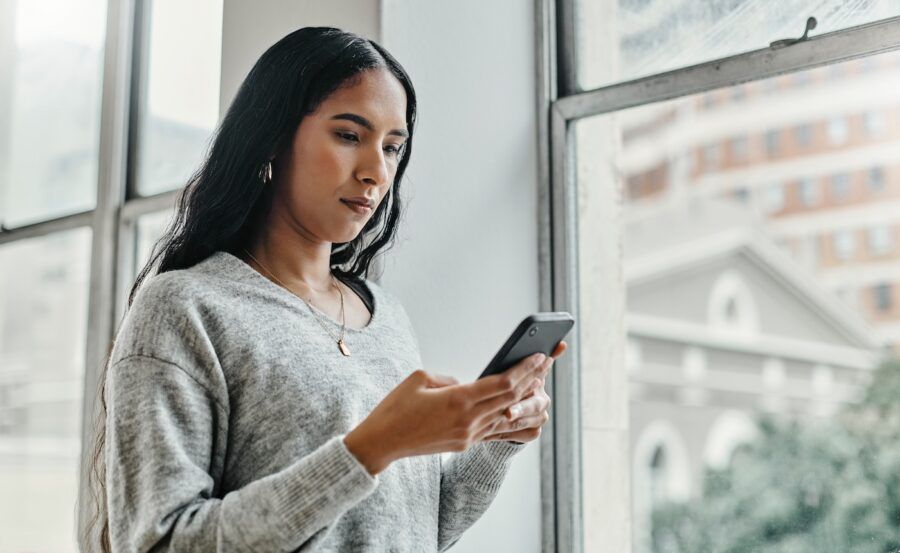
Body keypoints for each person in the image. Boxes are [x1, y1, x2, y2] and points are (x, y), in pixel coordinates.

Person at [84, 26, 567, 552]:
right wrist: (372, 447)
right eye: (348, 136)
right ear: (271, 138)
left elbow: (415, 531)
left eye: (392, 147)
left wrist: (496, 437)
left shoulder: (386, 316)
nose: (376, 172)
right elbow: (160, 543)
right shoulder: (186, 308)